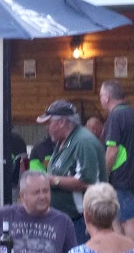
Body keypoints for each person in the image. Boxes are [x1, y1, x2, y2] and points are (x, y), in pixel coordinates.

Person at [36, 99, 104, 237]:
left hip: (81, 222)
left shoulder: (83, 142)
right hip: (65, 220)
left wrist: (53, 180)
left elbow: (87, 181)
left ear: (62, 122)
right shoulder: (64, 141)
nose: (47, 128)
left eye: (49, 123)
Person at [99, 78, 134, 222]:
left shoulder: (115, 116)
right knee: (118, 222)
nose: (100, 99)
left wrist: (103, 176)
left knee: (127, 223)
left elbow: (112, 151)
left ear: (107, 97)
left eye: (101, 95)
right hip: (133, 176)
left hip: (120, 179)